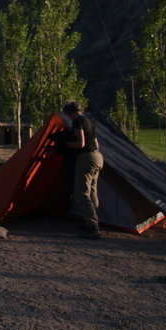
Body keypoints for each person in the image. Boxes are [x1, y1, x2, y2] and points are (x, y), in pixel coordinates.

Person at [62, 101, 104, 239]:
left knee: (81, 193)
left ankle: (92, 227)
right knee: (92, 191)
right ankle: (93, 222)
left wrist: (66, 144)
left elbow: (81, 143)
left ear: (70, 113)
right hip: (98, 157)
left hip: (86, 158)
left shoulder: (77, 121)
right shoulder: (90, 121)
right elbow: (95, 143)